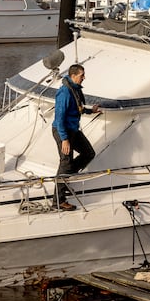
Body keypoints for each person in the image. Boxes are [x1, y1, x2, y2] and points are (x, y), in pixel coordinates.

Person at [52, 63, 101, 210]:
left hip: (73, 130)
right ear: (73, 76)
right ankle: (58, 202)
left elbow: (77, 108)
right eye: (82, 75)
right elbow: (59, 118)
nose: (84, 78)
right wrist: (64, 139)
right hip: (63, 131)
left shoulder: (75, 89)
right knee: (66, 162)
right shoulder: (65, 92)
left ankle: (64, 178)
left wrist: (90, 111)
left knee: (88, 153)